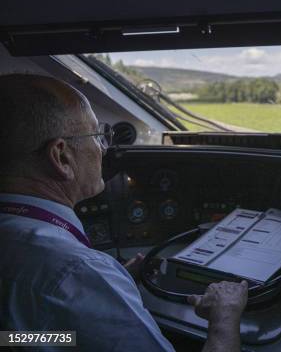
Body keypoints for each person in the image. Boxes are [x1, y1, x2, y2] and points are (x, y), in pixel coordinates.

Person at [0, 73, 247, 351]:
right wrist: (224, 318)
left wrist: (92, 305)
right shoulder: (77, 270)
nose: (103, 149)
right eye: (97, 135)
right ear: (61, 156)